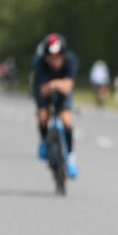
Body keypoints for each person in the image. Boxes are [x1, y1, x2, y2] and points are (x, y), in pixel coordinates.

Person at [32, 33, 79, 178]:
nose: (54, 61)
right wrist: (50, 88)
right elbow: (40, 89)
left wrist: (55, 84)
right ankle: (44, 141)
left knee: (66, 120)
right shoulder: (40, 64)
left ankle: (70, 157)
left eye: (58, 57)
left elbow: (68, 86)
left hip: (62, 94)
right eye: (51, 58)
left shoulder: (71, 61)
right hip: (44, 93)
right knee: (43, 116)